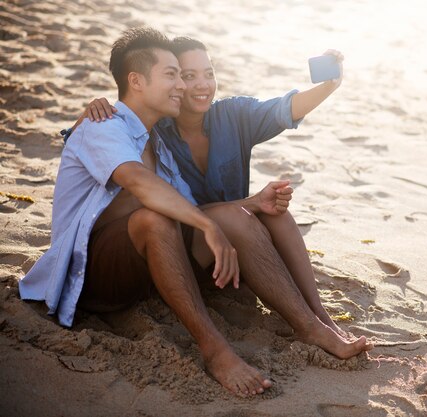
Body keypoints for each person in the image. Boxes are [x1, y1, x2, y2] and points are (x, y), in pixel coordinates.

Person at [20, 27, 371, 398]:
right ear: (136, 81)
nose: (184, 87)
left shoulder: (161, 144)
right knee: (155, 219)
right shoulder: (104, 125)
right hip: (89, 276)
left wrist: (248, 207)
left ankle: (311, 325)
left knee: (226, 217)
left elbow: (194, 207)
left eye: (194, 74)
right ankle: (216, 352)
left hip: (146, 276)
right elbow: (137, 182)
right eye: (175, 75)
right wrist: (208, 225)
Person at [73, 36, 348, 336]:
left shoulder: (233, 115)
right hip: (188, 250)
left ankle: (319, 315)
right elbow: (105, 135)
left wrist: (328, 85)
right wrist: (90, 112)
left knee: (276, 212)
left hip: (233, 244)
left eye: (209, 73)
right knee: (240, 215)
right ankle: (308, 325)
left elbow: (284, 109)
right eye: (188, 76)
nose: (202, 84)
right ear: (175, 81)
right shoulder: (158, 132)